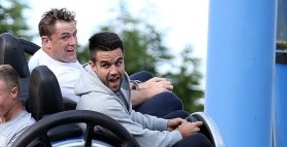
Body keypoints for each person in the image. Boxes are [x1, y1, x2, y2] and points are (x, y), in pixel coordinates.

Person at [74, 31, 215, 147]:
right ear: (93, 65)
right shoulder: (101, 103)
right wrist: (180, 134)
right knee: (199, 144)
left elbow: (128, 117)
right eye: (105, 65)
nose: (114, 71)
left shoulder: (103, 84)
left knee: (181, 117)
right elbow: (147, 143)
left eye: (118, 63)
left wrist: (166, 124)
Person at [28, 7, 183, 117]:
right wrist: (148, 91)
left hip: (94, 100)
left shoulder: (41, 55)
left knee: (145, 76)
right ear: (46, 41)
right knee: (167, 100)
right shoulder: (60, 76)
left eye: (74, 35)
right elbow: (108, 97)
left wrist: (138, 85)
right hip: (100, 118)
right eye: (65, 37)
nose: (73, 42)